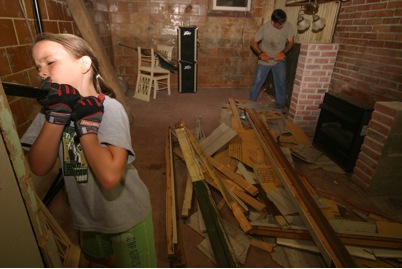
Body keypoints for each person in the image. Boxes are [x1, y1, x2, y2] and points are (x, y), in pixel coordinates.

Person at [21, 32, 157, 267]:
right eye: (38, 67)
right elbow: (39, 166)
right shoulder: (50, 111)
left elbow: (110, 176)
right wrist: (55, 119)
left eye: (50, 62)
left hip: (125, 213)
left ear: (84, 64)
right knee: (96, 258)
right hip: (87, 215)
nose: (42, 72)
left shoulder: (110, 109)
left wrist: (87, 132)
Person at [249, 9, 295, 110]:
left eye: (283, 23)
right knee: (258, 82)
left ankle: (280, 107)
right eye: (279, 24)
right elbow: (253, 43)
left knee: (281, 83)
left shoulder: (287, 25)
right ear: (272, 22)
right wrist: (261, 53)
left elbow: (291, 42)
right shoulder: (265, 28)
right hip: (265, 60)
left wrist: (283, 52)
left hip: (279, 60)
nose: (282, 26)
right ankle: (250, 106)